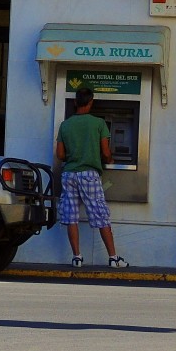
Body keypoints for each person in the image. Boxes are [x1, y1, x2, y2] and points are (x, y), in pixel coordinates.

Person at [54, 86, 128, 268]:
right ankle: (113, 258)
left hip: (69, 174)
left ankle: (77, 257)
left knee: (71, 216)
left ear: (75, 102)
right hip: (89, 174)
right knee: (100, 215)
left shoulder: (65, 125)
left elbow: (60, 155)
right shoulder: (99, 123)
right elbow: (105, 152)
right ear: (91, 102)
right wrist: (110, 157)